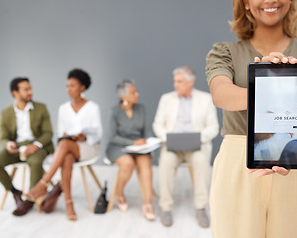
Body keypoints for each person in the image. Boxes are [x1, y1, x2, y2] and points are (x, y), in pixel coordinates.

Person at [206, 0, 297, 237]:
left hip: (296, 161)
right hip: (238, 166)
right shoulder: (224, 51)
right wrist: (265, 83)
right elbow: (220, 94)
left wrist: (294, 153)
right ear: (244, 2)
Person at [24, 68, 102, 221]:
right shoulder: (63, 109)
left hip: (88, 148)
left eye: (72, 85)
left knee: (66, 145)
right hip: (68, 149)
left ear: (82, 87)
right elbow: (60, 134)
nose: (69, 89)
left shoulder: (93, 108)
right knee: (66, 155)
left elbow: (97, 134)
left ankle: (43, 183)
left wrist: (83, 137)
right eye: (67, 86)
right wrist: (66, 136)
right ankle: (69, 203)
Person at [153, 66, 219, 228]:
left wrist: (197, 138)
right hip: (172, 146)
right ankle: (165, 207)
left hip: (196, 147)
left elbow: (213, 128)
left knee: (201, 161)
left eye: (180, 81)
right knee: (166, 162)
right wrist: (167, 138)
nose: (175, 85)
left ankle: (201, 207)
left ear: (190, 82)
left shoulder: (205, 99)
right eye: (175, 81)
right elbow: (157, 124)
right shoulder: (166, 99)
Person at [0, 77, 54, 216]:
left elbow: (48, 133)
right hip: (17, 147)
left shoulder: (41, 108)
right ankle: (15, 192)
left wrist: (36, 145)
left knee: (36, 162)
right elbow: (3, 137)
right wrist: (8, 144)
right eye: (26, 89)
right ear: (15, 92)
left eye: (30, 88)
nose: (30, 92)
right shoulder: (6, 113)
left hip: (37, 145)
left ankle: (30, 199)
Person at [106, 80, 155, 221]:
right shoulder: (114, 112)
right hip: (118, 147)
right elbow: (112, 136)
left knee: (146, 162)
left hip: (139, 147)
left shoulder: (142, 109)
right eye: (133, 92)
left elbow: (148, 132)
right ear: (124, 97)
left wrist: (149, 141)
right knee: (128, 163)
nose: (137, 94)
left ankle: (148, 204)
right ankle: (120, 193)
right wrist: (132, 142)